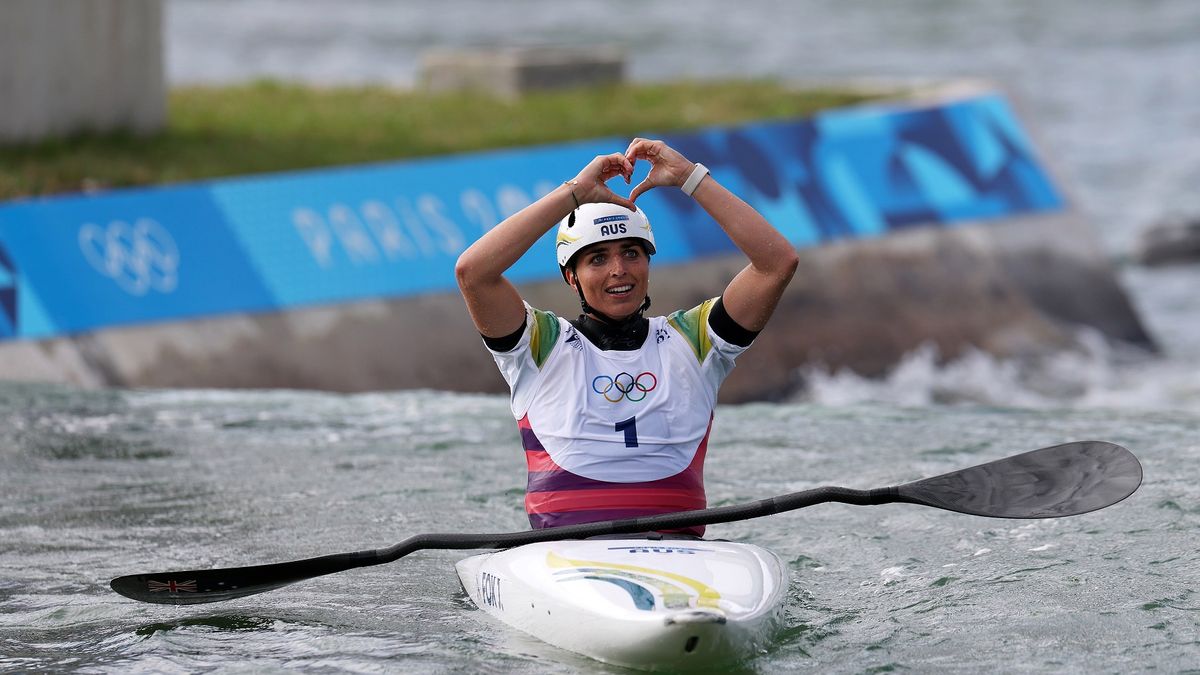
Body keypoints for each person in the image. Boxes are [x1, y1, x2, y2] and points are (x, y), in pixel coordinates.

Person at [455, 138, 799, 536]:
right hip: (564, 560)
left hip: (679, 561)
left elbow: (777, 264)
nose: (619, 269)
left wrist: (690, 177)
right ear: (572, 277)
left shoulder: (696, 340)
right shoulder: (538, 346)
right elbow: (473, 273)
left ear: (648, 263)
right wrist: (574, 194)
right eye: (598, 258)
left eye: (632, 253)